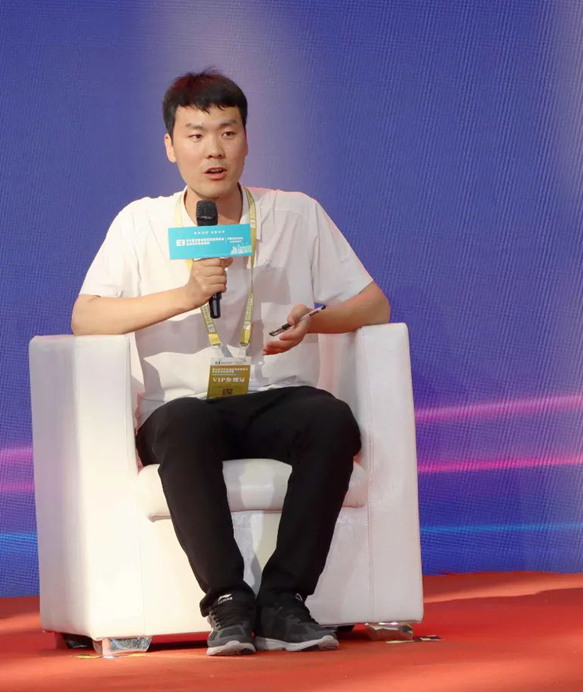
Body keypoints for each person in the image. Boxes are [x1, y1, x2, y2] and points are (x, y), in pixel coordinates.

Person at [72, 70, 390, 656]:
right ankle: (226, 601)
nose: (213, 150)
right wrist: (184, 296)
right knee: (186, 422)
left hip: (273, 397)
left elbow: (374, 304)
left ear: (246, 139)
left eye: (227, 132)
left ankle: (284, 600)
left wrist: (314, 323)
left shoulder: (296, 214)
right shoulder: (140, 223)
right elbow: (85, 317)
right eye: (195, 135)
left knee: (329, 419)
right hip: (181, 407)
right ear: (171, 146)